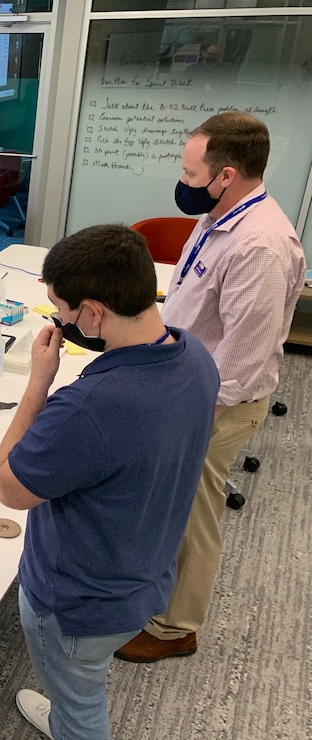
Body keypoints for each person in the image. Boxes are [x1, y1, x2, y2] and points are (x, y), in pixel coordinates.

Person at [0, 224, 219, 739]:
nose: (59, 320)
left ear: (93, 312)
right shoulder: (196, 357)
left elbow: (9, 488)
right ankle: (65, 713)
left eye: (62, 309)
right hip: (142, 572)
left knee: (81, 700)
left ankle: (71, 722)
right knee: (81, 682)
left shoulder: (91, 407)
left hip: (77, 602)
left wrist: (38, 383)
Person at [116, 111, 306, 663]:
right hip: (183, 379)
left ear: (225, 174)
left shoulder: (260, 247)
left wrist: (184, 412)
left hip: (214, 404)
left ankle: (176, 628)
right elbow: (195, 300)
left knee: (192, 511)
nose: (182, 182)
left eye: (190, 172)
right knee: (169, 501)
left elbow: (241, 362)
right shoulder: (222, 215)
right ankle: (152, 590)